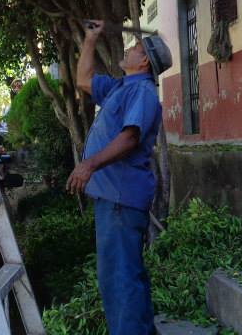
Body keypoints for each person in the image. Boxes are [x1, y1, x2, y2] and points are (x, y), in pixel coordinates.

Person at [66, 19, 172, 335]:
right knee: (125, 274)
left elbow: (129, 138)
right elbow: (83, 79)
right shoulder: (121, 87)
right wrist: (89, 39)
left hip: (120, 199)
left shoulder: (142, 92)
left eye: (136, 47)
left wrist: (89, 165)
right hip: (113, 199)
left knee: (118, 277)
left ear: (144, 62)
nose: (128, 49)